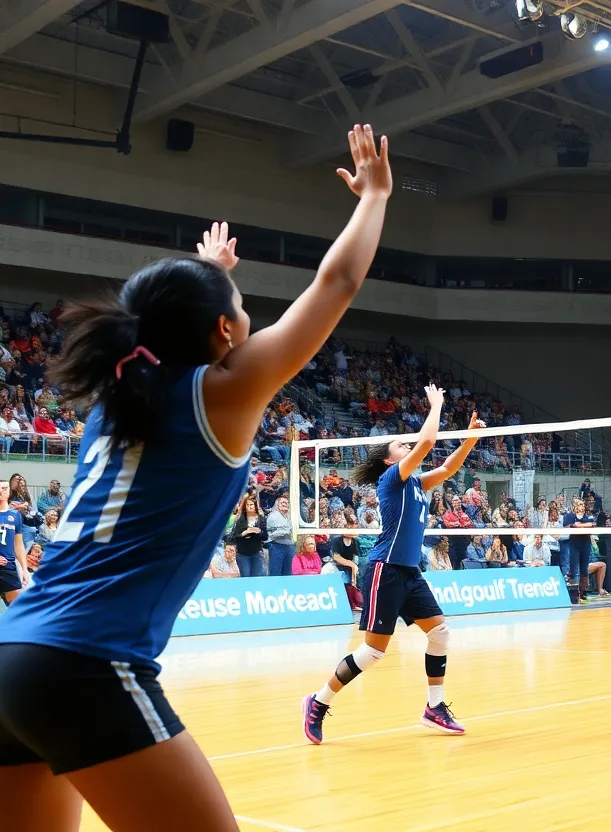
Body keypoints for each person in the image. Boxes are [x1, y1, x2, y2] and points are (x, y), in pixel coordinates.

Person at [0, 123, 394, 831]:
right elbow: (336, 282)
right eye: (239, 310)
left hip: (13, 655)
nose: (246, 318)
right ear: (222, 333)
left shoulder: (117, 399)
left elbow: (169, 326)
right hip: (88, 662)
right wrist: (375, 198)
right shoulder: (224, 393)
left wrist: (210, 276)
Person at [302, 394, 484, 743]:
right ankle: (318, 701)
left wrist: (470, 439)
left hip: (410, 572)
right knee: (372, 652)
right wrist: (435, 406)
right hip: (384, 570)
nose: (407, 446)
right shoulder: (391, 479)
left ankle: (434, 707)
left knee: (440, 633)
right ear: (389, 460)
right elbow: (427, 442)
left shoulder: (416, 483)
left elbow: (447, 469)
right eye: (401, 445)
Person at [0, 480, 29, 605]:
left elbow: (18, 544)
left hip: (8, 566)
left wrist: (24, 569)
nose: (1, 491)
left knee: (17, 605)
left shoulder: (15, 515)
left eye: (4, 488)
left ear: (9, 492)